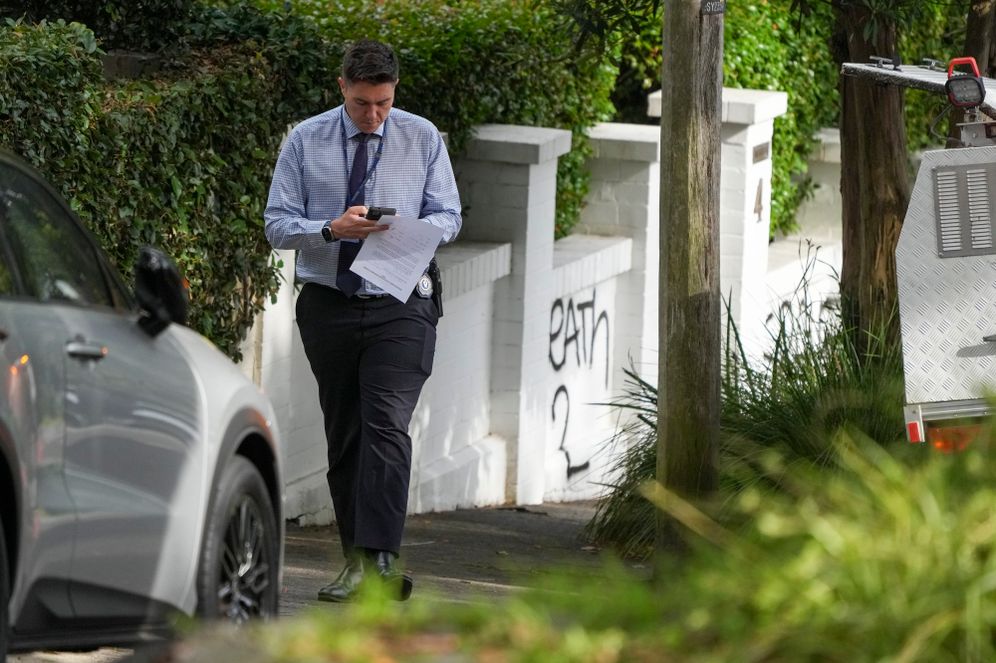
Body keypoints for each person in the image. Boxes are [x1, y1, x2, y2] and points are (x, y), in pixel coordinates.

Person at [264, 38, 462, 602]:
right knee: (346, 430)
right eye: (362, 104)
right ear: (342, 89)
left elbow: (448, 215)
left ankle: (379, 559)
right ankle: (357, 561)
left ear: (394, 91)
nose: (374, 116)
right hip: (329, 302)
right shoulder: (305, 139)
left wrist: (415, 230)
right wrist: (330, 229)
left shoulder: (423, 137)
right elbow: (277, 225)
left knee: (386, 424)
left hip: (403, 302)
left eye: (384, 103)